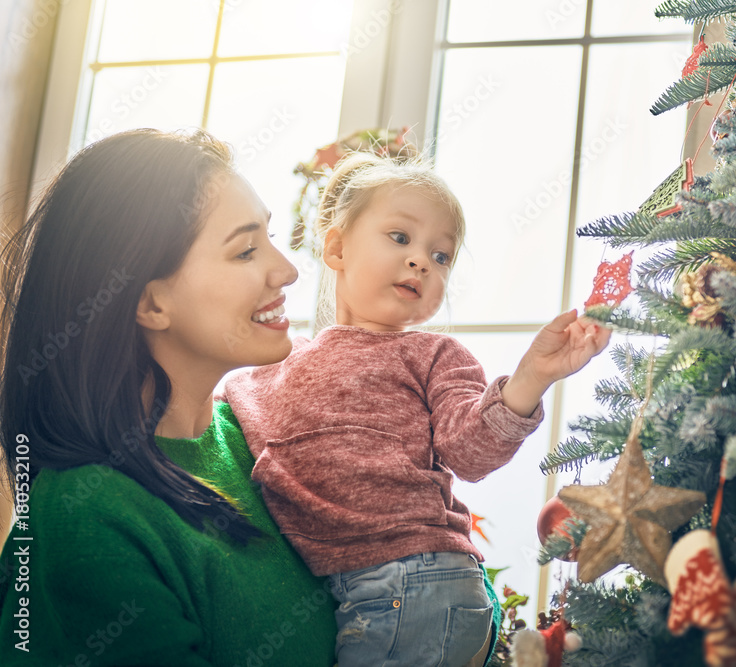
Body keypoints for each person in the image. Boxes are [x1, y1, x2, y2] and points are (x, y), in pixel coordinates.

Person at [223, 151, 612, 667]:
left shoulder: (435, 356)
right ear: (336, 247)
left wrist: (531, 378)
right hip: (367, 588)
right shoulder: (269, 369)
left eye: (442, 255)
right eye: (400, 238)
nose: (422, 261)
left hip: (420, 581)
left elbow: (470, 453)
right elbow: (240, 414)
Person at [0, 129, 339, 665]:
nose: (288, 269)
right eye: (246, 250)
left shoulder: (261, 438)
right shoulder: (84, 518)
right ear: (150, 304)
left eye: (270, 238)